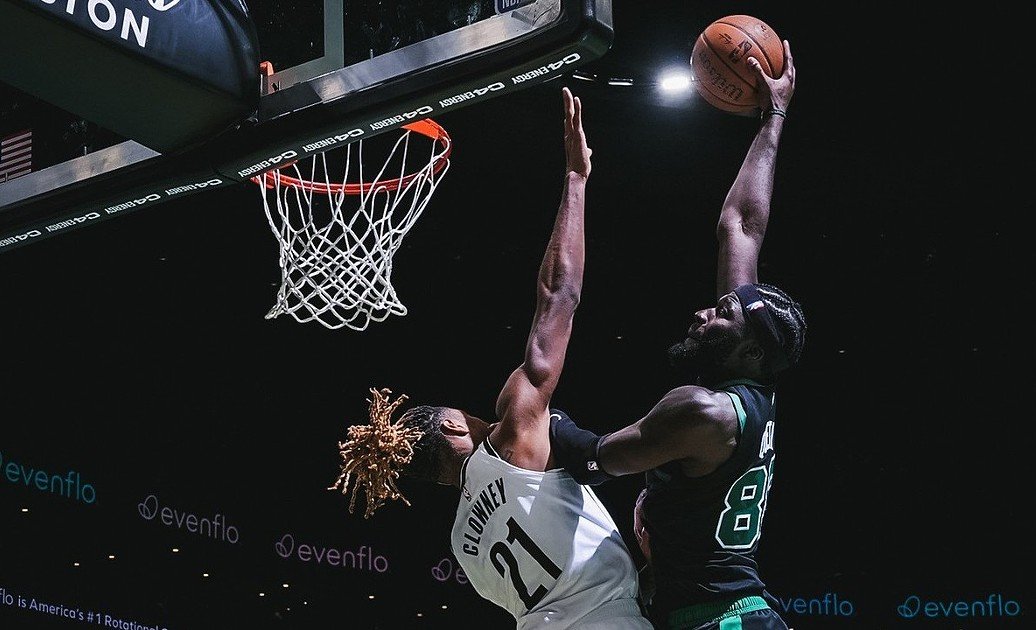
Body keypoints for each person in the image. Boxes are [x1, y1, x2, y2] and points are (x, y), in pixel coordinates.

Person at [327, 87, 652, 630]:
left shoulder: (463, 547)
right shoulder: (515, 431)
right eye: (463, 413)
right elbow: (559, 295)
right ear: (453, 426)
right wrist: (576, 178)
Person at [548, 41, 805, 630]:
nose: (704, 313)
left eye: (722, 315)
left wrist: (540, 418)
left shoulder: (703, 412)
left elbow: (594, 459)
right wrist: (774, 115)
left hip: (720, 620)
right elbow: (740, 226)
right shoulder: (752, 380)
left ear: (750, 348)